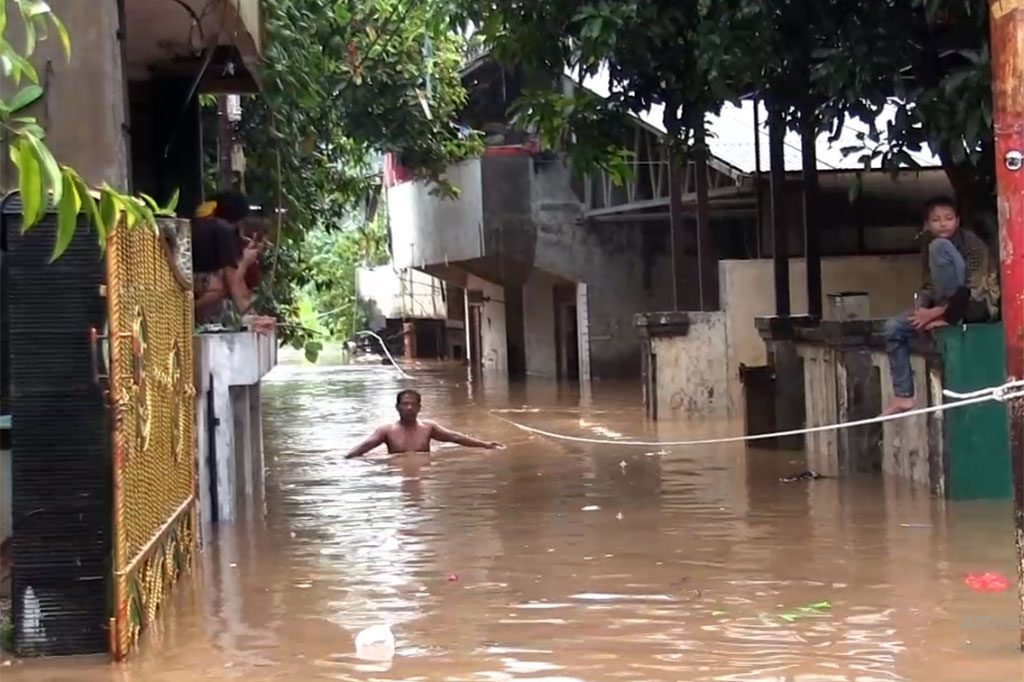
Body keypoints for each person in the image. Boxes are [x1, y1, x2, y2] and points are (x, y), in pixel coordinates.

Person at [882, 196, 1000, 415]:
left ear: (957, 221)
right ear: (928, 224)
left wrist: (937, 313)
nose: (943, 223)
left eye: (948, 218)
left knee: (940, 246)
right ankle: (904, 395)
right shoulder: (928, 245)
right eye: (936, 219)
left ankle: (946, 318)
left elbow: (974, 288)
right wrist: (921, 310)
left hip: (976, 306)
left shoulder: (971, 243)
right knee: (893, 328)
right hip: (941, 306)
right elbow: (928, 285)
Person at [345, 389, 504, 458]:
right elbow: (364, 447)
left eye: (413, 404)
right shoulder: (386, 431)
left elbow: (455, 437)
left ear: (419, 407)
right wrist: (344, 459)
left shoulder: (428, 428)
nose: (409, 407)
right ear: (397, 407)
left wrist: (486, 445)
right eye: (405, 404)